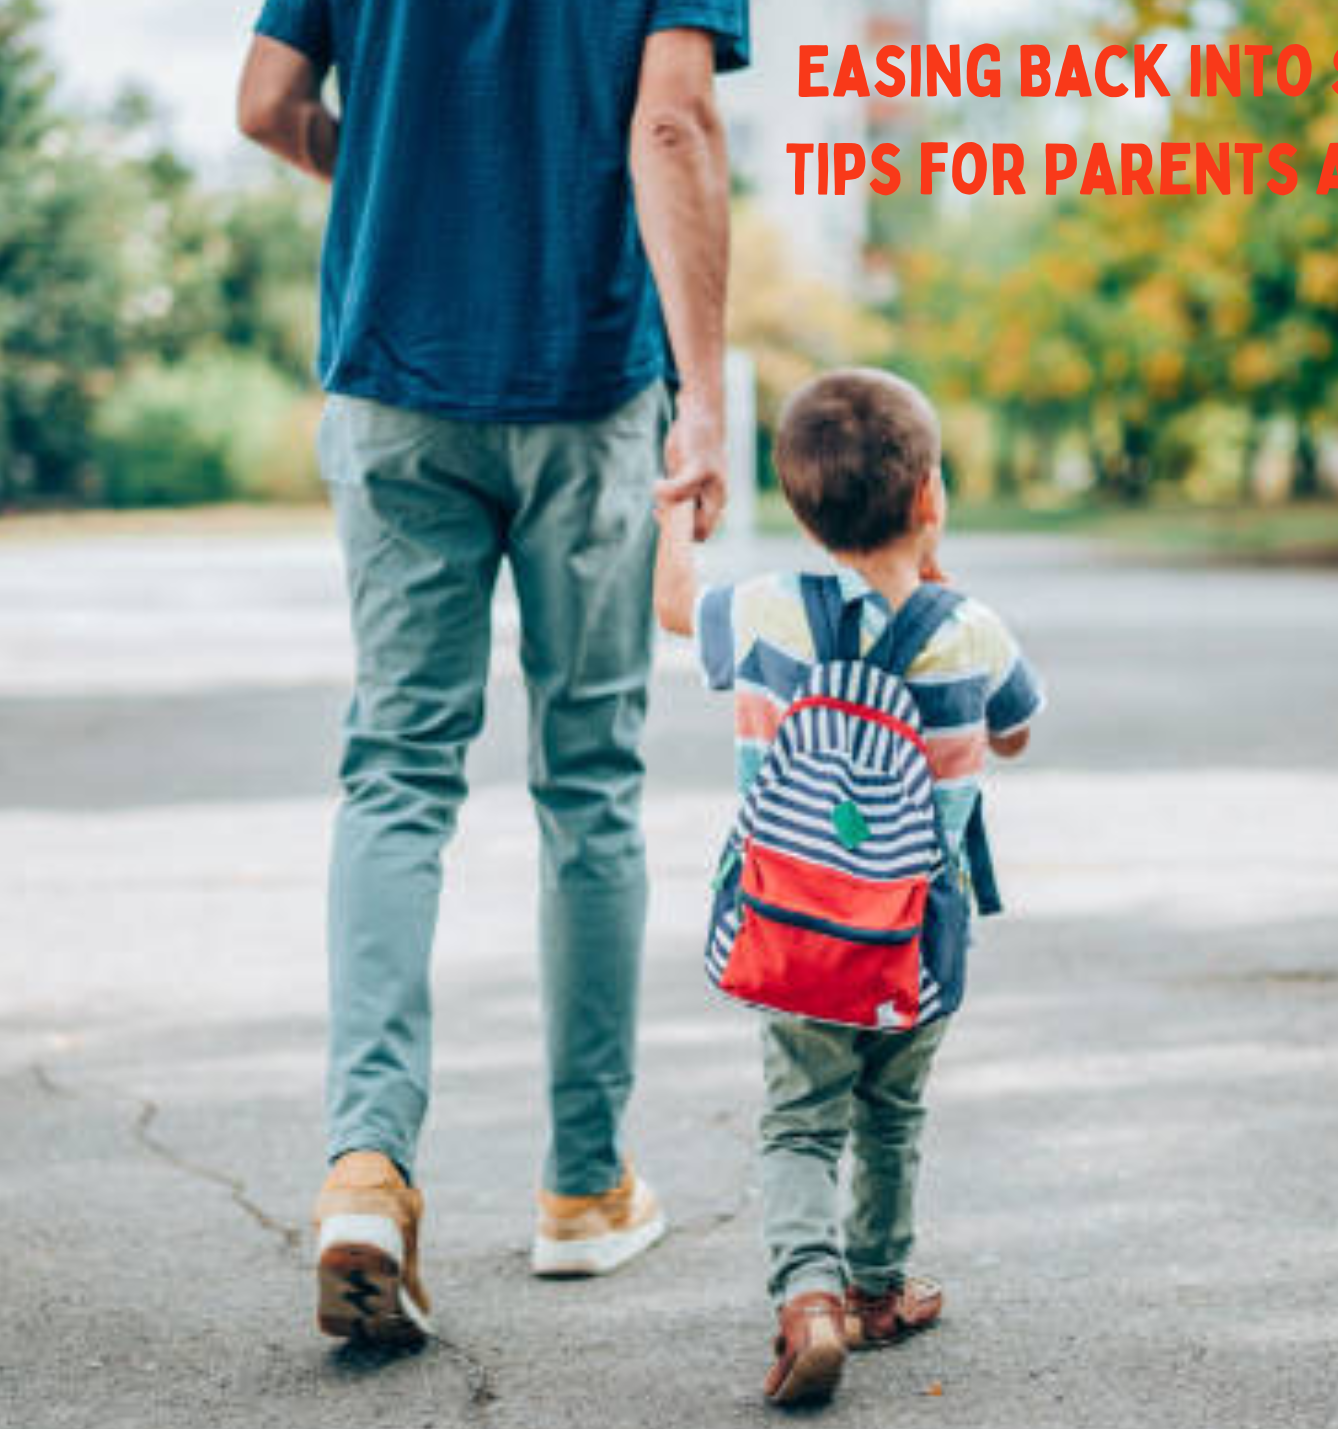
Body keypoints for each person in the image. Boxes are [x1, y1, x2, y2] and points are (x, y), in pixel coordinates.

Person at [235, 0, 750, 1347]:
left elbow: (267, 103)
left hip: (395, 378)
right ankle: (583, 1187)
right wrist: (703, 397)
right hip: (586, 384)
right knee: (588, 781)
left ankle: (365, 1168)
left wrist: (408, 186)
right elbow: (672, 120)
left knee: (398, 771)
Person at [653, 369, 1043, 1407]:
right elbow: (1012, 729)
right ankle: (876, 1289)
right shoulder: (973, 631)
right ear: (929, 498)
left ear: (799, 507)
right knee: (890, 1110)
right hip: (914, 940)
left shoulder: (764, 612)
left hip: (790, 934)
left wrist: (676, 514)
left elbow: (670, 607)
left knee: (797, 1119)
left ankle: (807, 1298)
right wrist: (936, 581)